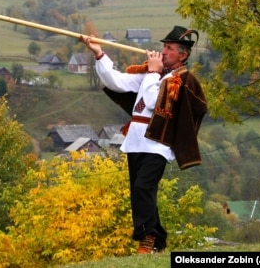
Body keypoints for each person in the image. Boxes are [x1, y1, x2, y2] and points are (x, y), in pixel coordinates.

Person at [81, 25, 208, 254]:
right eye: (164, 46)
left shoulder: (180, 80)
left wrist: (152, 71)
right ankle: (158, 241)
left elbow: (152, 103)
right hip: (136, 141)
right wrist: (98, 53)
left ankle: (147, 237)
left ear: (183, 55)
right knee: (141, 191)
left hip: (157, 145)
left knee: (142, 187)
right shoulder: (153, 74)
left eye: (169, 48)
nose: (163, 51)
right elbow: (116, 82)